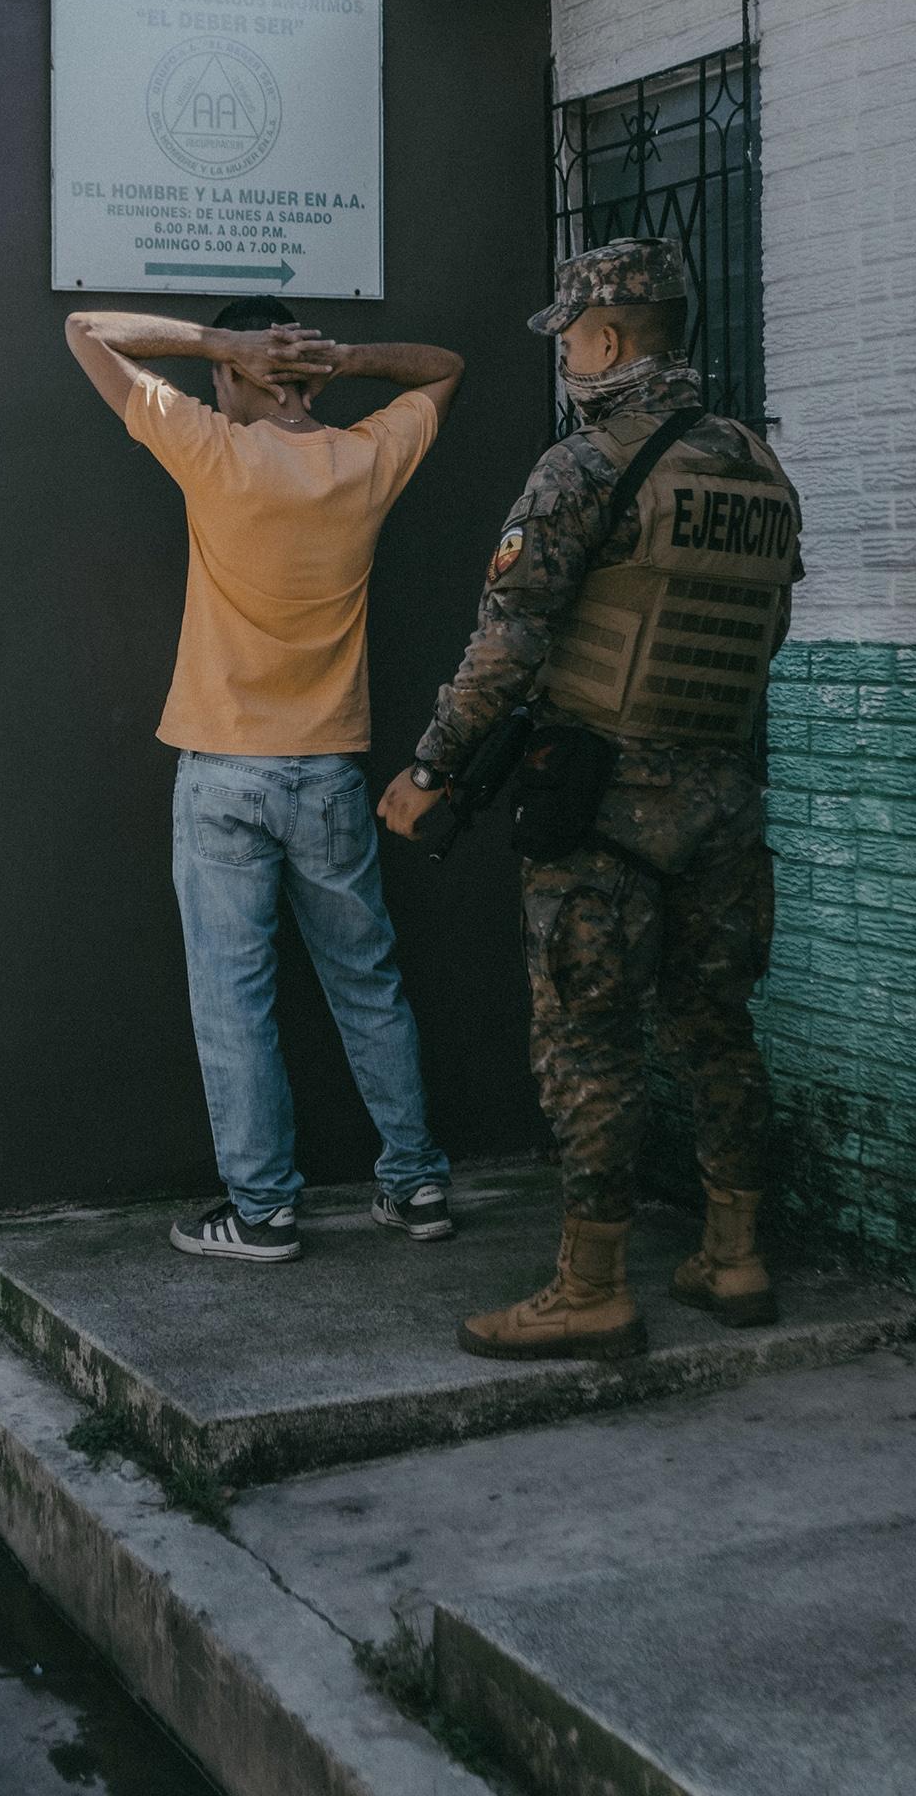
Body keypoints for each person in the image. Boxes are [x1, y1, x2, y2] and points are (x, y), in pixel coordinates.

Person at [380, 238, 802, 1362]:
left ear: (609, 340)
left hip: (604, 808)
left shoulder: (583, 467)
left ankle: (592, 1285)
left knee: (589, 1038)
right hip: (726, 800)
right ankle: (736, 1252)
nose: (566, 354)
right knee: (717, 1029)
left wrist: (430, 770)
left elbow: (508, 641)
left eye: (571, 334)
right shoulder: (758, 468)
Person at [63, 300, 465, 1262]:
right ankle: (416, 1188)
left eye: (225, 373)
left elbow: (85, 331)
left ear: (244, 374)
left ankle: (263, 1212)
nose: (213, 385)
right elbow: (444, 363)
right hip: (329, 770)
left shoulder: (211, 450)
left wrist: (216, 343)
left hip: (223, 775)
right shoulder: (363, 460)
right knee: (367, 985)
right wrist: (344, 360)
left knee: (233, 1001)